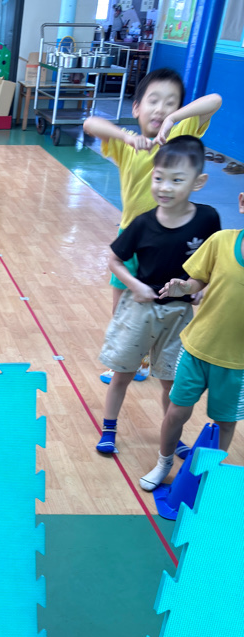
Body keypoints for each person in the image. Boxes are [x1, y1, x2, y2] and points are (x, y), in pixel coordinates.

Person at [83, 70, 221, 383]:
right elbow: (90, 123)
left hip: (171, 240)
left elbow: (214, 100)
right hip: (133, 237)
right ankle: (125, 359)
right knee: (124, 304)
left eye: (170, 103)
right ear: (136, 108)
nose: (160, 109)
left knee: (167, 304)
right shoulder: (127, 145)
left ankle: (150, 360)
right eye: (153, 101)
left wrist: (175, 119)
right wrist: (126, 137)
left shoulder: (180, 135)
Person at [95, 136, 220, 457]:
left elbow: (213, 264)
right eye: (159, 178)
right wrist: (135, 285)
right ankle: (109, 428)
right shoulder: (143, 223)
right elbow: (114, 260)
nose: (165, 187)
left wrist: (199, 288)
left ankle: (171, 436)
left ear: (198, 182)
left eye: (177, 180)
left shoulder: (208, 219)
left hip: (178, 315)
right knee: (122, 374)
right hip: (141, 309)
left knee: (170, 382)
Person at [139, 191, 244, 491]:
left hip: (236, 363)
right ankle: (164, 463)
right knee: (176, 412)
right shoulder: (221, 241)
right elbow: (199, 279)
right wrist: (185, 287)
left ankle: (209, 474)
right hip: (197, 348)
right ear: (241, 202)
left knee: (225, 422)